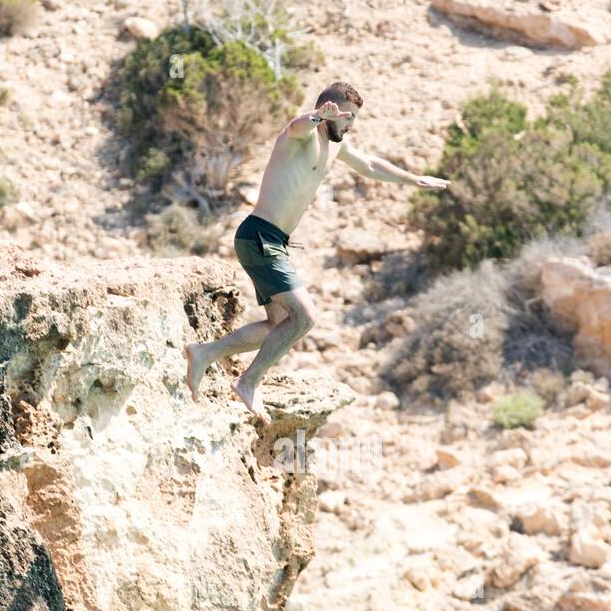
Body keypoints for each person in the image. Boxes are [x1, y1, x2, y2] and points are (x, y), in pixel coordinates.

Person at [185, 80, 450, 422]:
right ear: (329, 112)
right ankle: (248, 382)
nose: (352, 124)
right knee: (305, 317)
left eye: (355, 118)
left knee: (277, 326)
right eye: (347, 117)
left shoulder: (336, 145)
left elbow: (370, 165)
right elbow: (295, 127)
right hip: (259, 236)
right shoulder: (300, 137)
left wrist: (414, 178)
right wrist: (314, 117)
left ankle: (204, 353)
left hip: (275, 242)